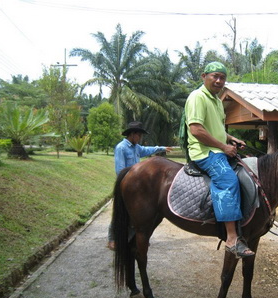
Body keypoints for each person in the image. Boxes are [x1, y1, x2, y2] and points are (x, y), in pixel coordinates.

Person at [184, 61, 255, 258]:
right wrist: (223, 147)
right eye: (214, 76)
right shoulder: (198, 97)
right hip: (204, 152)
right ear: (204, 77)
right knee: (228, 180)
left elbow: (217, 129)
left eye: (222, 77)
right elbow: (196, 130)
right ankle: (232, 239)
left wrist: (231, 139)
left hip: (217, 149)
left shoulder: (216, 100)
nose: (218, 80)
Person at [107, 121, 172, 250]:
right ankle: (112, 239)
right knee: (120, 212)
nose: (140, 138)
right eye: (139, 135)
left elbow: (147, 150)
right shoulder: (121, 148)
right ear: (132, 134)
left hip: (135, 186)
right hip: (125, 185)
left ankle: (136, 238)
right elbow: (120, 170)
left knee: (136, 213)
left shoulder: (136, 147)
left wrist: (162, 148)